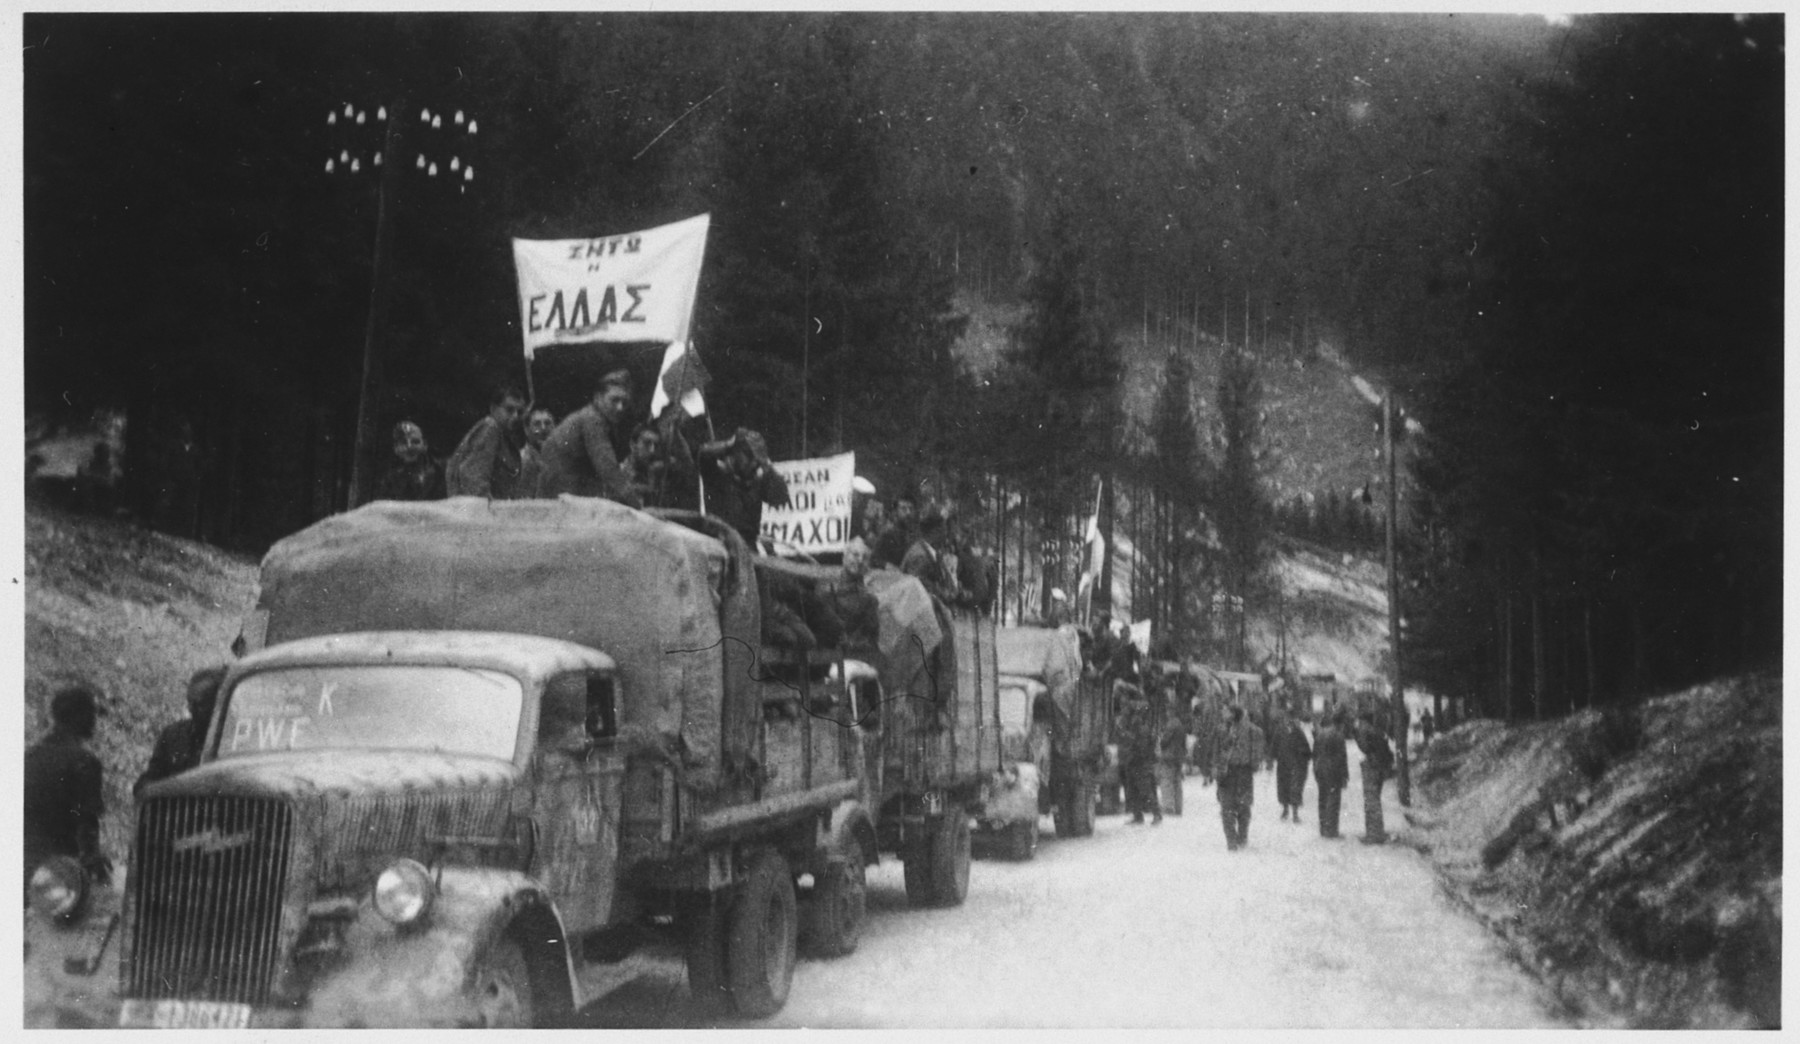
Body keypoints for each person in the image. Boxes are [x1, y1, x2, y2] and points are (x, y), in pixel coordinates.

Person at [25, 685, 111, 886]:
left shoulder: (28, 756)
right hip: (59, 872)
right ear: (79, 716)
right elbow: (86, 822)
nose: (94, 722)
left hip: (24, 864)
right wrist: (93, 859)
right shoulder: (84, 761)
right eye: (92, 714)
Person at [538, 372, 642, 506]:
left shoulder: (599, 419)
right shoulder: (593, 419)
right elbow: (608, 468)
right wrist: (637, 505)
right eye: (614, 400)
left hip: (566, 492)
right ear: (598, 397)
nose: (620, 407)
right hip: (558, 497)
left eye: (624, 402)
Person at [135, 666, 226, 797]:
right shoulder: (173, 735)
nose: (191, 709)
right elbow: (152, 776)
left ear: (217, 704)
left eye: (199, 704)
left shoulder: (232, 739)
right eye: (190, 703)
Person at [699, 427, 788, 548]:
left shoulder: (757, 480)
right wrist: (729, 445)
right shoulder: (718, 474)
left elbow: (780, 497)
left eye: (755, 458)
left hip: (747, 547)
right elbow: (702, 455)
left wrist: (766, 464)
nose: (753, 463)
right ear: (736, 453)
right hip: (719, 544)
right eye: (748, 455)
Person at [445, 384, 527, 498]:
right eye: (509, 410)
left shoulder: (506, 438)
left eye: (520, 412)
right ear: (493, 409)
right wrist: (486, 513)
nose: (515, 416)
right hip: (477, 509)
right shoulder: (490, 428)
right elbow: (474, 478)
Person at [1213, 703, 1264, 851]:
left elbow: (1256, 751)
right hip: (1229, 772)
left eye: (1225, 711)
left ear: (1233, 714)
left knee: (1240, 806)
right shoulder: (1222, 729)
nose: (1223, 713)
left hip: (1241, 771)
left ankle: (1239, 837)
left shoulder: (1250, 730)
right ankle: (1234, 840)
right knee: (1231, 807)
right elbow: (1215, 750)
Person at [822, 537, 881, 659]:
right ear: (845, 557)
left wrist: (851, 644)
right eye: (855, 555)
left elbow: (871, 640)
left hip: (853, 659)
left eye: (864, 558)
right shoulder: (826, 588)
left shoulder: (869, 600)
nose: (860, 561)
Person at [1116, 692, 1161, 825]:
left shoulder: (1139, 726)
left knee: (1146, 790)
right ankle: (1138, 816)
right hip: (1133, 762)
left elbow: (1138, 744)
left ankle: (1156, 814)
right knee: (1132, 790)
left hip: (1141, 763)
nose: (1123, 711)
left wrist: (1124, 735)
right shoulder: (1134, 724)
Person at [374, 421, 445, 502]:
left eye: (415, 442)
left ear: (425, 445)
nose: (409, 447)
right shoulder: (391, 480)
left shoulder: (441, 471)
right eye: (403, 443)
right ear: (396, 449)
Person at [900, 511, 959, 603]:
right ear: (935, 532)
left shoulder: (932, 553)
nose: (946, 534)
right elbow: (915, 585)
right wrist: (944, 593)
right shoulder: (920, 555)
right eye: (944, 530)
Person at [1355, 711, 1395, 844]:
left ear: (1364, 720)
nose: (1359, 723)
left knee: (1371, 802)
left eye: (1360, 720)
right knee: (1374, 800)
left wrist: (1356, 735)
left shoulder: (1366, 730)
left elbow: (1365, 747)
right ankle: (1376, 832)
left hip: (1373, 767)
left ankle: (1374, 835)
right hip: (1380, 766)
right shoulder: (1376, 731)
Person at [1312, 709, 1351, 839]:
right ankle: (1331, 831)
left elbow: (1315, 754)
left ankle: (1323, 829)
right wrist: (1345, 775)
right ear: (1341, 723)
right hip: (1333, 771)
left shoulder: (1320, 734)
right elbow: (1341, 757)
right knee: (1333, 800)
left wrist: (1315, 770)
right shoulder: (1338, 736)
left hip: (1320, 770)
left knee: (1322, 799)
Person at [1273, 709, 1313, 823]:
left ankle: (1295, 814)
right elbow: (1274, 745)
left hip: (1296, 764)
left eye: (1292, 718)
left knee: (1295, 788)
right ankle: (1285, 810)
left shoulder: (1298, 731)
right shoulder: (1280, 730)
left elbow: (1306, 748)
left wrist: (1305, 757)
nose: (1289, 721)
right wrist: (1272, 758)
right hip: (1283, 764)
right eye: (1287, 718)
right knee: (1283, 787)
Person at [621, 423, 671, 508]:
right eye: (647, 443)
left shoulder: (655, 473)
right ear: (633, 445)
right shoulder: (618, 474)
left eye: (656, 445)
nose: (652, 451)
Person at [516, 407, 556, 499]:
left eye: (547, 423)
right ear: (526, 429)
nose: (543, 428)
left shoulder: (560, 460)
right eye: (537, 424)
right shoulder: (521, 461)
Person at [872, 496, 918, 568]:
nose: (908, 513)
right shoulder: (887, 533)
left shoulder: (915, 534)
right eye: (904, 509)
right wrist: (886, 565)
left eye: (911, 509)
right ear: (895, 512)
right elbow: (874, 559)